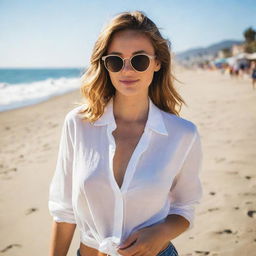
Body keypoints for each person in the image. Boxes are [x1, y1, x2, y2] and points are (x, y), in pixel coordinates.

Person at [48, 10, 203, 256]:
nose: (127, 70)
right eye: (116, 61)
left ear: (157, 62)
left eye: (139, 59)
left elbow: (185, 207)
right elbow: (64, 209)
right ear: (105, 65)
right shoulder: (78, 124)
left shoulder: (183, 134)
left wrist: (161, 233)